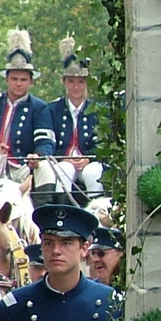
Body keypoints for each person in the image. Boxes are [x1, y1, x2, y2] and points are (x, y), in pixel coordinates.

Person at [0, 30, 55, 181]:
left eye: (23, 80)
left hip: (24, 166)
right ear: (7, 80)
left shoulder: (39, 107)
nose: (18, 83)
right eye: (14, 78)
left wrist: (38, 156)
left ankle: (47, 205)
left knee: (46, 169)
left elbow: (46, 141)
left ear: (31, 82)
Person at [34, 38, 106, 203]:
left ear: (86, 83)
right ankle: (64, 216)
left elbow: (102, 143)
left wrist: (90, 158)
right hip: (63, 161)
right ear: (64, 82)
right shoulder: (51, 110)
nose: (76, 87)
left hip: (88, 162)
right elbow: (46, 141)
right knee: (64, 169)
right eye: (71, 81)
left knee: (93, 172)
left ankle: (98, 217)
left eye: (80, 82)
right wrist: (61, 158)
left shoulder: (97, 110)